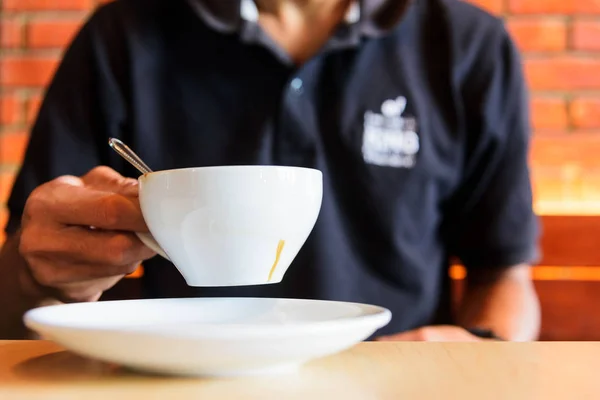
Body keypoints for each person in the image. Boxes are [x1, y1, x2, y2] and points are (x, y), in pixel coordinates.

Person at [0, 0, 541, 341]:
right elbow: (23, 277)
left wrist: (477, 351)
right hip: (166, 384)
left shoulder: (468, 46)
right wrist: (39, 279)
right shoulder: (121, 36)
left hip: (386, 382)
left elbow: (504, 273)